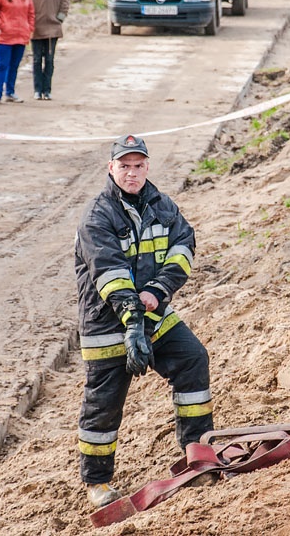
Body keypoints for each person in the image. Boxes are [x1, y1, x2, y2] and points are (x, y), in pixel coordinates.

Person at [74, 135, 214, 508]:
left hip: (152, 314)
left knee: (192, 358)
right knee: (104, 401)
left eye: (138, 166)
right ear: (111, 169)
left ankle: (197, 451)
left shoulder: (162, 206)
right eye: (124, 166)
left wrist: (156, 291)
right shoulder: (97, 215)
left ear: (147, 167)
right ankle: (98, 484)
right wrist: (132, 320)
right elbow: (109, 273)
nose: (132, 173)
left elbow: (184, 247)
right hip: (107, 324)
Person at [27, 0, 70, 101]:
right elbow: (26, 4)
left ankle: (47, 90)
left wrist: (60, 18)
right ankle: (37, 90)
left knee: (49, 59)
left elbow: (65, 0)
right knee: (37, 59)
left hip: (53, 27)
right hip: (36, 28)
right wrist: (29, 22)